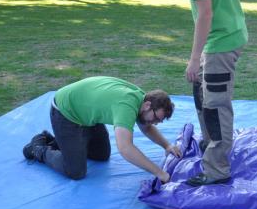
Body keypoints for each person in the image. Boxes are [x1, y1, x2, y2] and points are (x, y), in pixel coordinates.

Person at [155, 0, 248, 187]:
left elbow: (205, 13)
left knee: (215, 105)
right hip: (228, 35)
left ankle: (217, 168)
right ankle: (210, 144)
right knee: (201, 92)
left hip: (222, 42)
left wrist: (194, 59)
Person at [22, 76, 181, 181]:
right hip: (65, 112)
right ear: (147, 105)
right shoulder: (126, 106)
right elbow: (125, 148)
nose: (155, 123)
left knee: (101, 154)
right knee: (75, 171)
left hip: (86, 114)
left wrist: (167, 145)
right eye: (156, 118)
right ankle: (38, 148)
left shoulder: (141, 99)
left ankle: (58, 140)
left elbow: (146, 127)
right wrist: (159, 173)